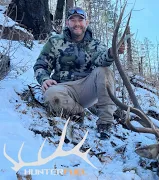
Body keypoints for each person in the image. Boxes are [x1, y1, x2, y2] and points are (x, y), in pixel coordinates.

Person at [33, 7, 124, 139]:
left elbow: (101, 60)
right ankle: (78, 112)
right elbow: (40, 65)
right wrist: (44, 79)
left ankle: (105, 123)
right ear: (67, 23)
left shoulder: (96, 44)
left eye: (80, 20)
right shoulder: (54, 41)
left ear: (86, 23)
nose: (77, 24)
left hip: (86, 88)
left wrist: (111, 52)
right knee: (52, 95)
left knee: (104, 71)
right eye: (72, 20)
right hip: (63, 88)